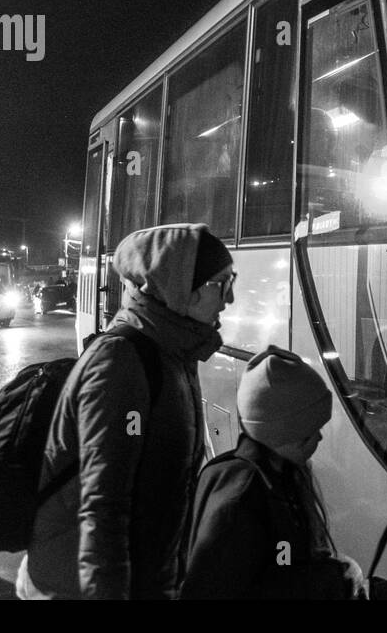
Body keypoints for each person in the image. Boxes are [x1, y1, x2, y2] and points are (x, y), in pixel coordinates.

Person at [17, 223, 233, 600]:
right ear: (180, 287)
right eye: (221, 284)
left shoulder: (173, 352)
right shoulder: (122, 362)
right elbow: (103, 509)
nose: (229, 298)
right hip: (77, 587)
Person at [181, 347, 365, 599]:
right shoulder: (241, 498)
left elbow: (283, 566)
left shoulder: (275, 477)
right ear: (285, 433)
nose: (320, 437)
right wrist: (333, 580)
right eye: (311, 430)